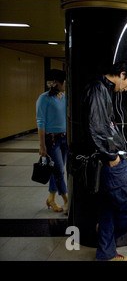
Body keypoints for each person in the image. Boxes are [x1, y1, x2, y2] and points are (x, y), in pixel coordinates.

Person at [82, 60, 127, 261]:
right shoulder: (98, 89)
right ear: (122, 74)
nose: (125, 89)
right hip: (110, 163)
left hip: (111, 161)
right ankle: (108, 241)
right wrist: (112, 156)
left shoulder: (104, 90)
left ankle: (106, 254)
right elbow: (96, 128)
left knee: (108, 209)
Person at [36, 69, 69, 214]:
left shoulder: (65, 97)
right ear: (56, 82)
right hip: (52, 140)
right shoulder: (44, 99)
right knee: (59, 172)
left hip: (64, 139)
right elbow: (41, 123)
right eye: (64, 81)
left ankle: (51, 199)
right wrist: (42, 145)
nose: (66, 84)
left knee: (57, 171)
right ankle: (67, 200)